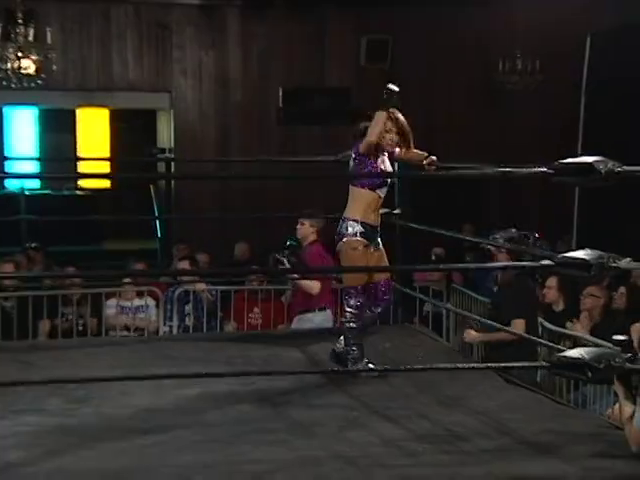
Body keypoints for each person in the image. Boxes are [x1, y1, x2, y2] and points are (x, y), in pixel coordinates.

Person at [331, 88, 438, 369]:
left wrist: (426, 158)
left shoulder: (388, 156)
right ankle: (354, 358)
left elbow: (409, 152)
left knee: (383, 295)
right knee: (355, 299)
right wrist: (385, 106)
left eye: (395, 132)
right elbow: (371, 139)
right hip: (353, 231)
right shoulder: (363, 152)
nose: (391, 136)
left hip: (373, 233)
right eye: (387, 131)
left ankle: (345, 343)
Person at [281, 212, 336, 330]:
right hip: (312, 314)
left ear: (313, 229)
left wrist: (290, 274)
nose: (297, 227)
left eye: (302, 224)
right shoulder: (312, 251)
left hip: (312, 316)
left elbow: (315, 288)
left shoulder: (314, 252)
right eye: (298, 224)